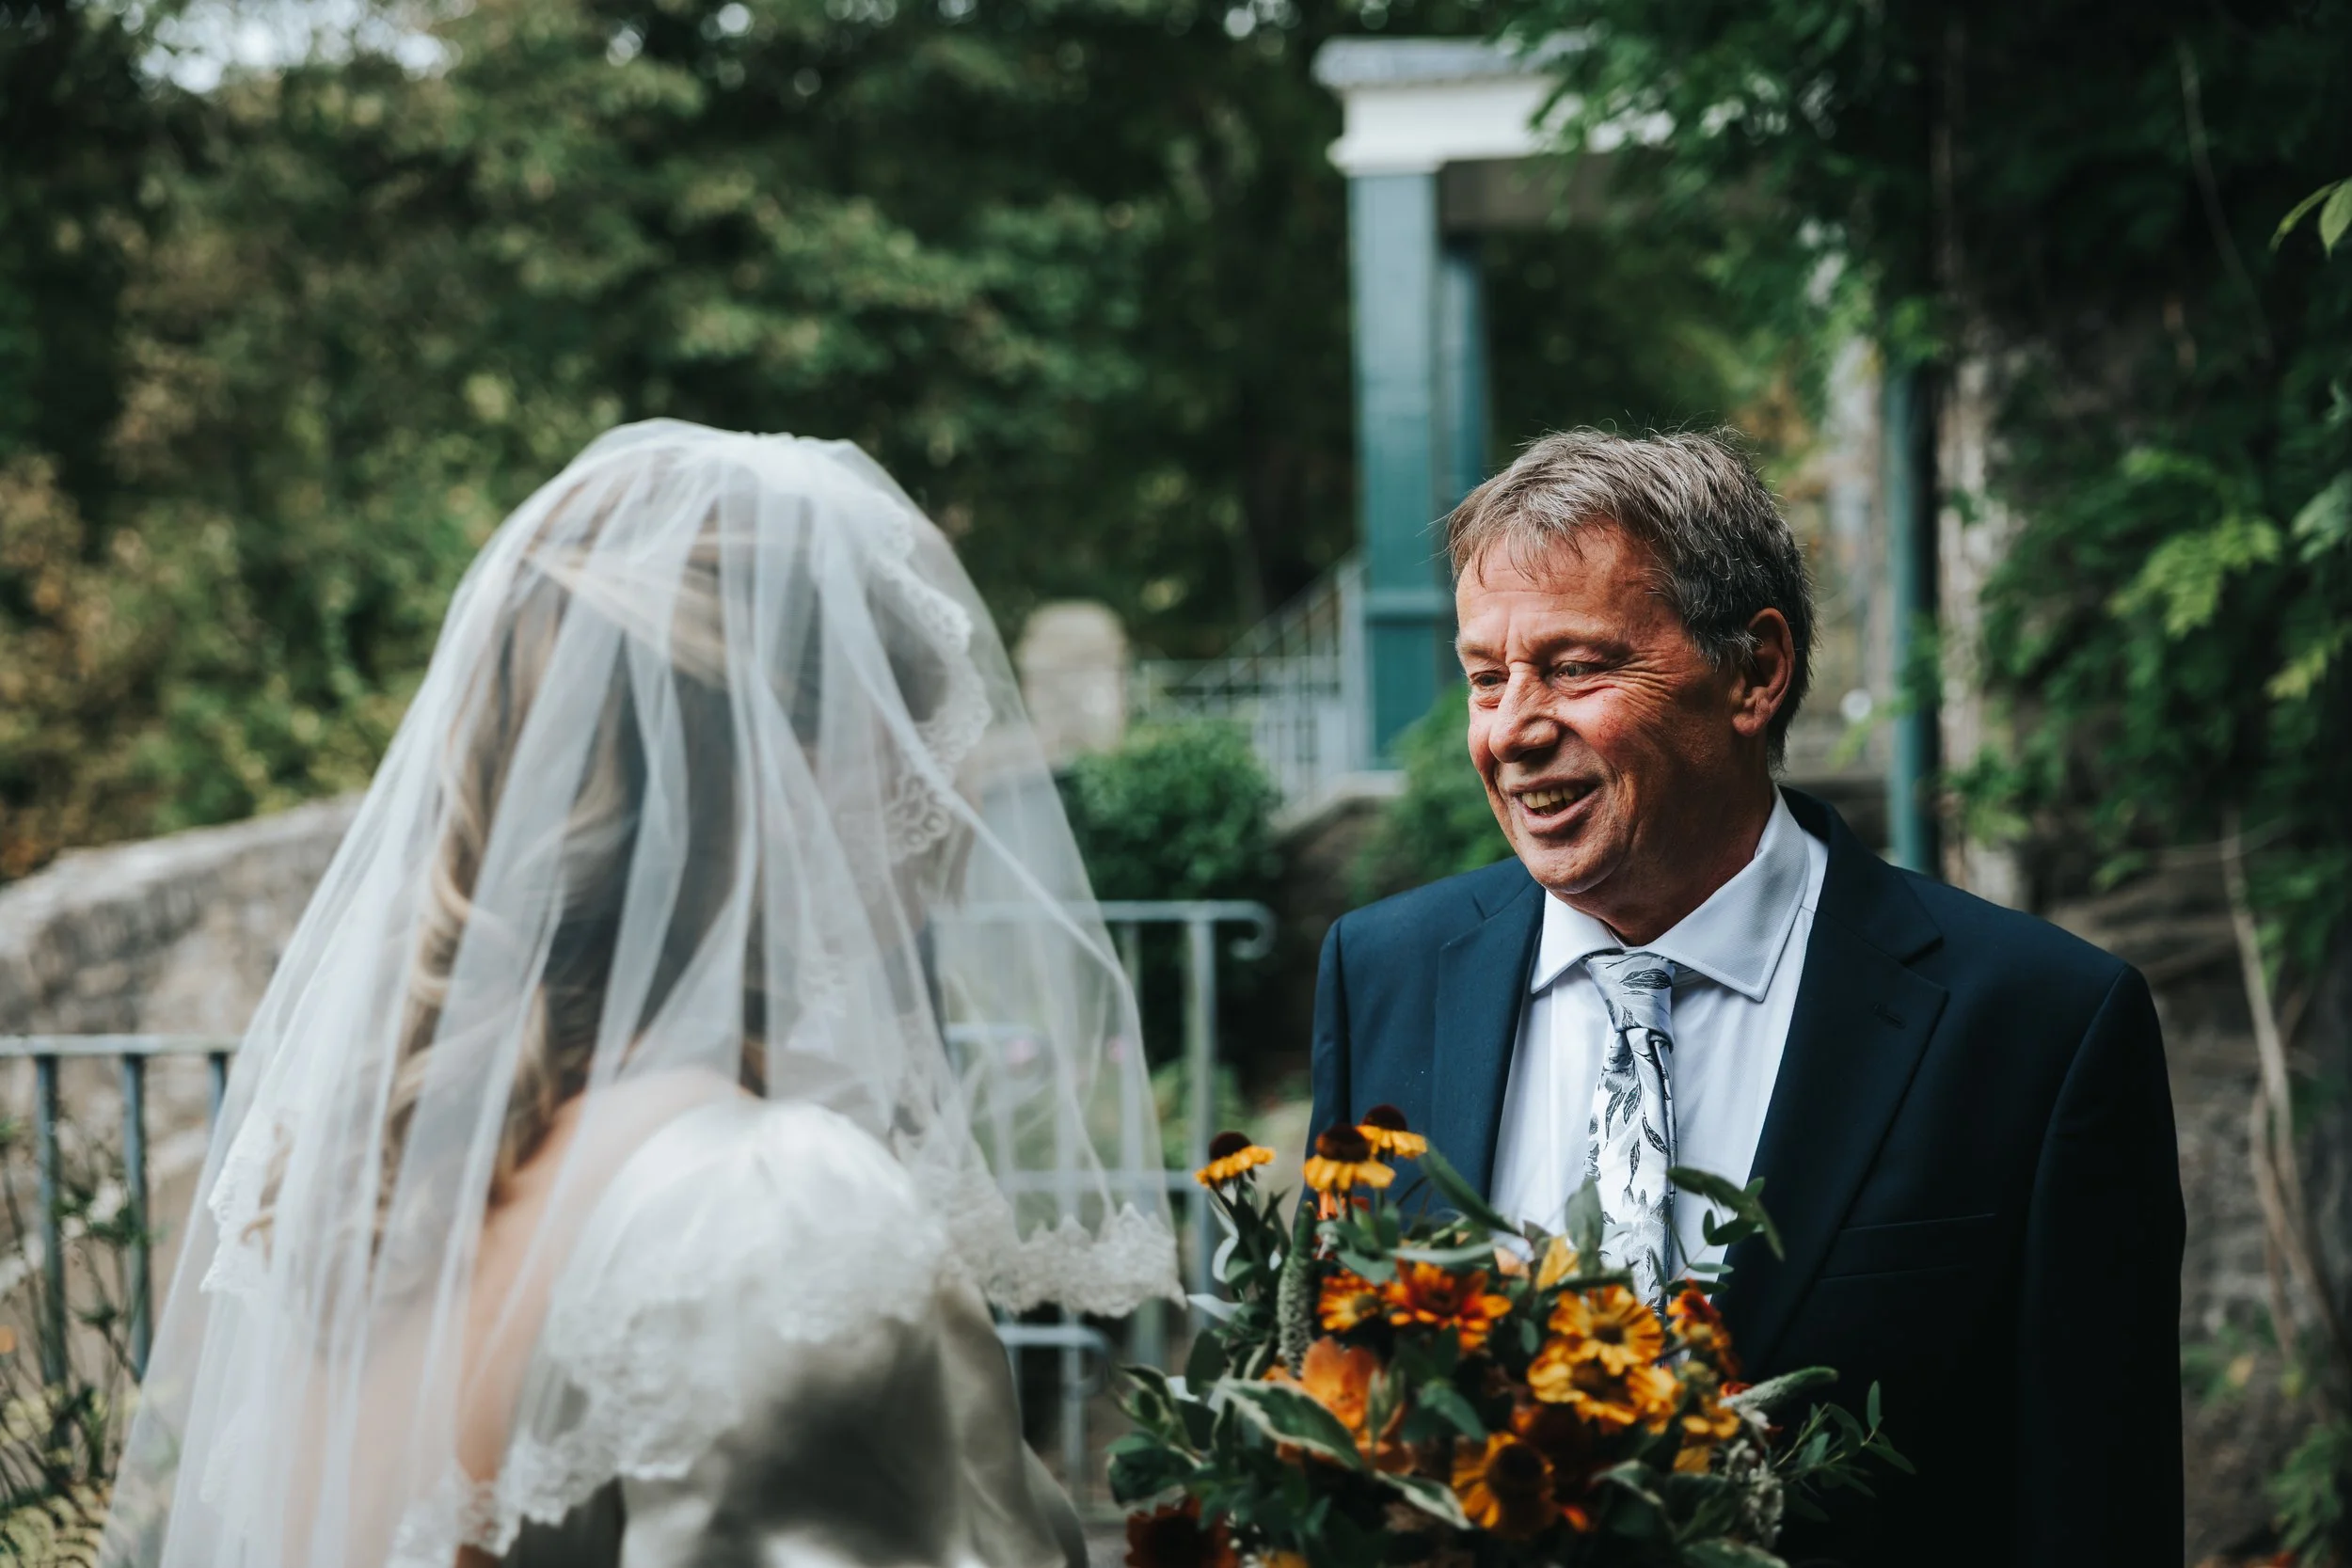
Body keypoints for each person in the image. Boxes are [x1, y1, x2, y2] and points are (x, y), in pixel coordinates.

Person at [101, 421, 1182, 1568]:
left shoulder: (362, 1196)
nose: (953, 805)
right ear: (808, 759)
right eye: (936, 732)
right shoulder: (765, 1208)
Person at [1308, 430, 2184, 1564]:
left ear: (1754, 673)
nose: (1511, 730)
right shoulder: (1379, 973)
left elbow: (2095, 1508)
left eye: (1574, 667)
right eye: (1486, 677)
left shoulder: (2040, 1025)